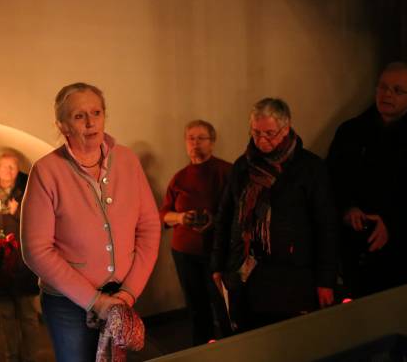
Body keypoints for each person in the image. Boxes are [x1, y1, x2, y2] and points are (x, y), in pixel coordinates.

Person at [20, 82, 161, 362]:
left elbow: (149, 228)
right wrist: (95, 302)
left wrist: (128, 294)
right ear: (62, 125)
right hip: (68, 305)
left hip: (122, 296)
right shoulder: (46, 171)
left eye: (96, 112)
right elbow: (36, 250)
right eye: (78, 116)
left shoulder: (128, 161)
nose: (90, 122)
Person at [211, 98, 338, 331]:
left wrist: (325, 281)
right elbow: (225, 216)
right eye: (256, 133)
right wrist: (217, 265)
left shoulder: (309, 169)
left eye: (269, 133)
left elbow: (325, 227)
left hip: (292, 279)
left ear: (286, 128)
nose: (261, 140)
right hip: (246, 275)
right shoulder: (242, 166)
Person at [327, 62, 407, 297]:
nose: (388, 94)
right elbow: (332, 181)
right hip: (356, 249)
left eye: (398, 90)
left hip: (404, 255)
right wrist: (348, 209)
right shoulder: (351, 131)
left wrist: (393, 223)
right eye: (383, 87)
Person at [160, 120, 232, 344]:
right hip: (185, 252)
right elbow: (163, 215)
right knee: (196, 306)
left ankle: (233, 347)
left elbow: (237, 211)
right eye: (191, 138)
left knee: (223, 305)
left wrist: (215, 221)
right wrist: (181, 218)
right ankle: (201, 348)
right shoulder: (179, 177)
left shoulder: (226, 171)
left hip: (217, 251)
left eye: (201, 138)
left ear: (212, 142)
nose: (195, 143)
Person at [0, 150, 39, 362]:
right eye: (4, 166)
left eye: (12, 166)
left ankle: (30, 357)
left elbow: (39, 225)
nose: (8, 170)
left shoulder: (29, 189)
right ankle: (11, 356)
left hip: (24, 261)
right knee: (6, 314)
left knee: (28, 314)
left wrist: (18, 212)